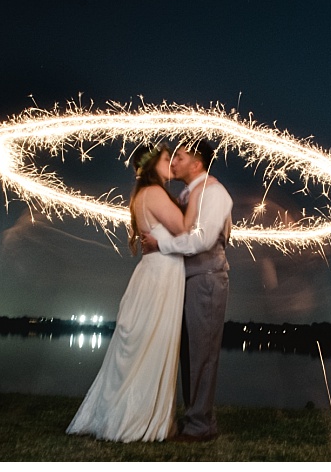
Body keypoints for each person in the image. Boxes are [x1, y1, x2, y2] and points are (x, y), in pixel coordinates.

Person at [67, 144, 190, 442]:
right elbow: (185, 227)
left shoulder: (140, 196)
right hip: (161, 277)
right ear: (150, 166)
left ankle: (135, 414)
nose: (170, 162)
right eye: (165, 158)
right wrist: (200, 194)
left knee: (145, 343)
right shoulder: (155, 194)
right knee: (153, 342)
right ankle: (140, 420)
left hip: (155, 274)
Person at [134, 139, 234, 442]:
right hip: (184, 278)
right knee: (189, 352)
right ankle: (195, 419)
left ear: (197, 163)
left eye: (179, 157)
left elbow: (202, 241)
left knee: (203, 352)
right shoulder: (188, 194)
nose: (173, 162)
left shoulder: (214, 192)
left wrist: (160, 244)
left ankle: (201, 425)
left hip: (206, 278)